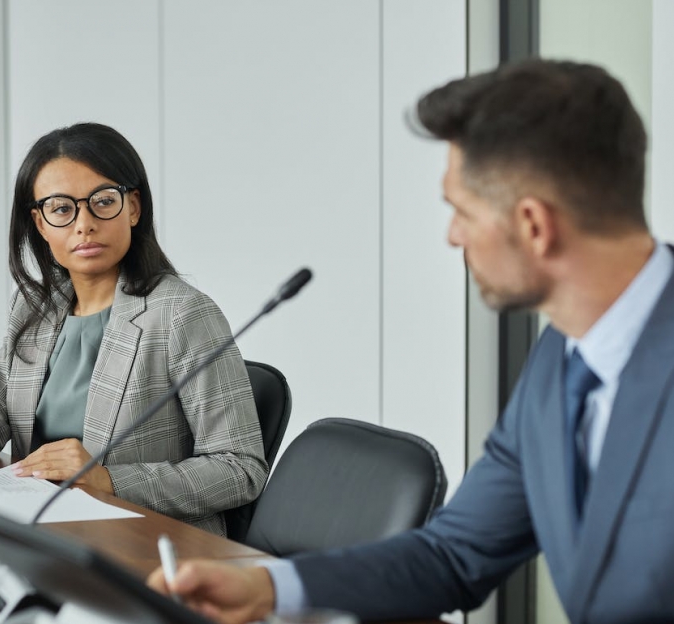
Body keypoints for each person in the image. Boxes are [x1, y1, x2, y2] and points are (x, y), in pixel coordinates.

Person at [148, 59, 674, 622]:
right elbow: (454, 555)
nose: (453, 236)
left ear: (534, 226)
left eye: (461, 211)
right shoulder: (561, 359)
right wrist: (270, 587)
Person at [0, 122, 268, 536]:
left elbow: (239, 468)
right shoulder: (35, 307)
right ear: (40, 224)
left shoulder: (183, 314)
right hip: (43, 534)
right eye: (62, 209)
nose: (84, 224)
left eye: (102, 201)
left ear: (133, 207)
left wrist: (109, 481)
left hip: (148, 545)